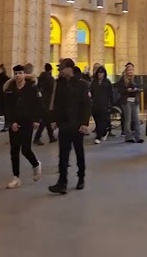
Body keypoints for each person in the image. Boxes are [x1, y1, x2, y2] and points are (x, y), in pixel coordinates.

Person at [47, 58, 91, 194]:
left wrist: (84, 123)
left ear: (70, 68)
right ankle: (62, 182)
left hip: (77, 125)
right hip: (64, 124)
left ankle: (81, 177)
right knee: (63, 154)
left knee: (79, 152)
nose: (60, 70)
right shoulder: (59, 84)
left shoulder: (81, 84)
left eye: (62, 68)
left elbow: (87, 105)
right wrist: (54, 120)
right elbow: (57, 103)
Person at [2, 64, 43, 188]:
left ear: (24, 74)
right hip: (14, 123)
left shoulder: (32, 88)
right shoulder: (10, 90)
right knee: (14, 150)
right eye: (15, 74)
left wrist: (36, 120)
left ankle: (36, 164)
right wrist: (11, 122)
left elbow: (38, 104)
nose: (18, 76)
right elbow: (7, 108)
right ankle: (16, 177)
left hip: (27, 122)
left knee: (26, 150)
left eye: (20, 73)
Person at [115, 63, 142, 143]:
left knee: (137, 119)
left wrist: (136, 89)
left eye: (132, 70)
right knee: (128, 119)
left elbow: (140, 87)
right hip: (126, 101)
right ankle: (128, 137)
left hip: (135, 100)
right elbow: (120, 90)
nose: (130, 71)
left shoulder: (136, 78)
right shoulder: (122, 79)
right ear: (126, 71)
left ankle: (138, 136)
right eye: (129, 70)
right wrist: (127, 90)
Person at [89, 65, 114, 143]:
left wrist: (111, 104)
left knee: (102, 120)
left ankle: (98, 137)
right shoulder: (94, 82)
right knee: (97, 120)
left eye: (102, 73)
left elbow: (111, 93)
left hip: (104, 104)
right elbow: (91, 91)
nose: (100, 74)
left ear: (104, 74)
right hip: (95, 104)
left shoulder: (107, 82)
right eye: (99, 73)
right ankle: (103, 132)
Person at [34, 63, 57, 145]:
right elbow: (52, 91)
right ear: (51, 70)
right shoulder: (50, 79)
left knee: (46, 119)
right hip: (48, 101)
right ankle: (37, 138)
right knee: (44, 120)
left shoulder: (40, 77)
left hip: (41, 100)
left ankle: (51, 137)